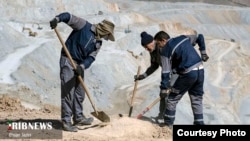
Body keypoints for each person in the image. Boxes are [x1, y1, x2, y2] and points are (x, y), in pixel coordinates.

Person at [49, 12, 115, 132]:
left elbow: (91, 57)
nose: (106, 37)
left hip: (79, 65)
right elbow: (68, 16)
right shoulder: (83, 25)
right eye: (107, 34)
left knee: (80, 93)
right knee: (68, 92)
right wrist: (57, 19)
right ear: (104, 30)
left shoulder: (98, 43)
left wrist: (82, 67)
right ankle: (66, 121)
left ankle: (78, 117)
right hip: (68, 59)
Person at [154, 30, 209, 128]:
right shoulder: (182, 38)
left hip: (189, 72)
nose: (159, 47)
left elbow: (165, 72)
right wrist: (203, 53)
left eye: (158, 44)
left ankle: (167, 126)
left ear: (163, 40)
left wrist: (163, 88)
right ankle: (199, 124)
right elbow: (200, 36)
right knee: (196, 98)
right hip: (200, 69)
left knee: (172, 99)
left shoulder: (165, 51)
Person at [134, 31, 165, 121]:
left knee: (168, 96)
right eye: (145, 48)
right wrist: (142, 76)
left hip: (175, 72)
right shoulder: (153, 51)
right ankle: (161, 116)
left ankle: (167, 121)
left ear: (152, 42)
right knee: (163, 94)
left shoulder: (161, 47)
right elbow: (154, 66)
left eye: (147, 47)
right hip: (166, 73)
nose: (147, 50)